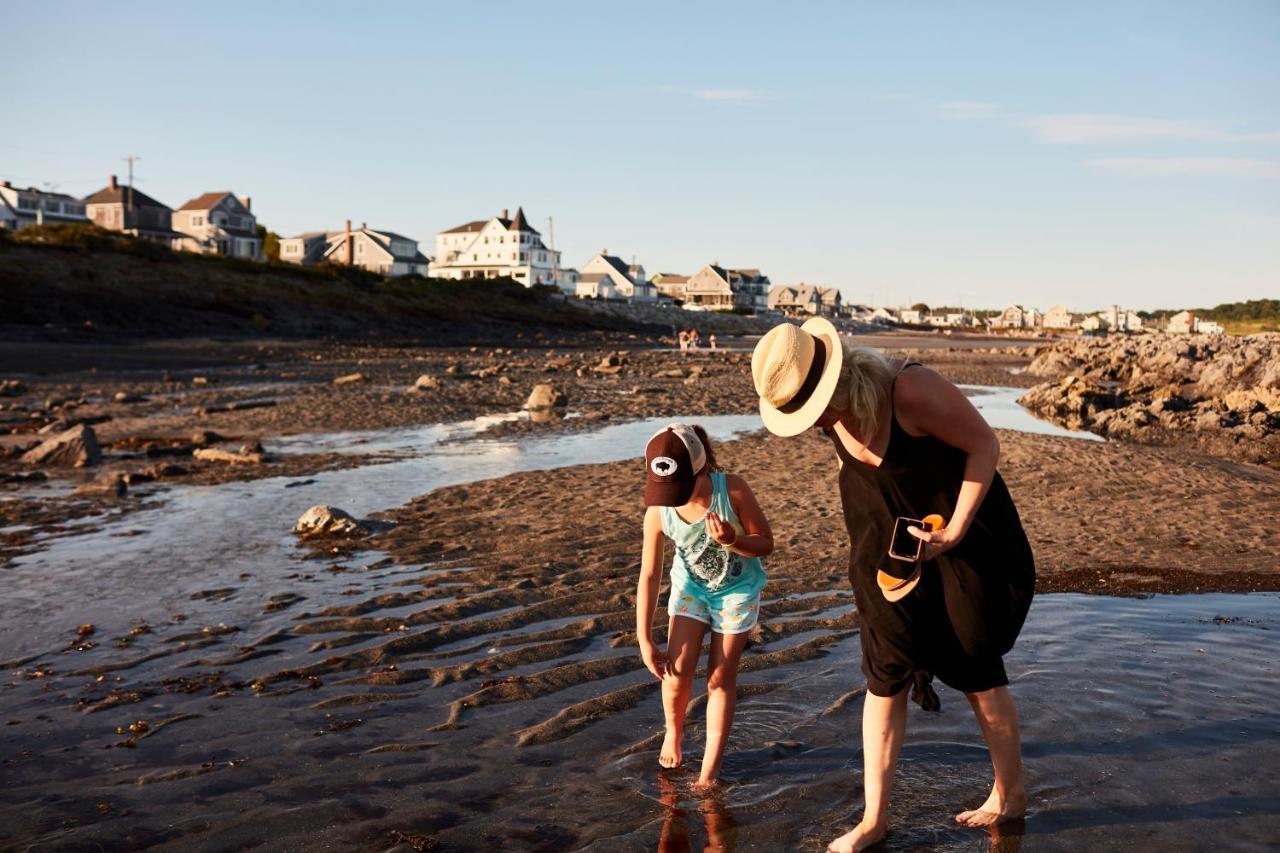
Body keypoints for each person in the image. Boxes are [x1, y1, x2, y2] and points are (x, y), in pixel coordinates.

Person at [750, 318, 1035, 852]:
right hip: (883, 549)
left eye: (815, 410)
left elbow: (984, 447)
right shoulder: (829, 417)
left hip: (960, 539)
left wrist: (953, 531)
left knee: (976, 671)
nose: (814, 423)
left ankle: (1009, 795)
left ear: (835, 382)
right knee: (885, 677)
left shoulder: (910, 390)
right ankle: (873, 820)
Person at [636, 423, 774, 791]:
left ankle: (709, 769)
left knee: (718, 678)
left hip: (736, 591)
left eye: (679, 489)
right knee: (677, 671)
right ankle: (673, 731)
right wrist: (645, 639)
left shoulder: (733, 490)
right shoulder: (659, 511)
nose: (672, 498)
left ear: (700, 468)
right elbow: (649, 576)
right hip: (692, 589)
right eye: (666, 491)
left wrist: (734, 540)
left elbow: (765, 543)